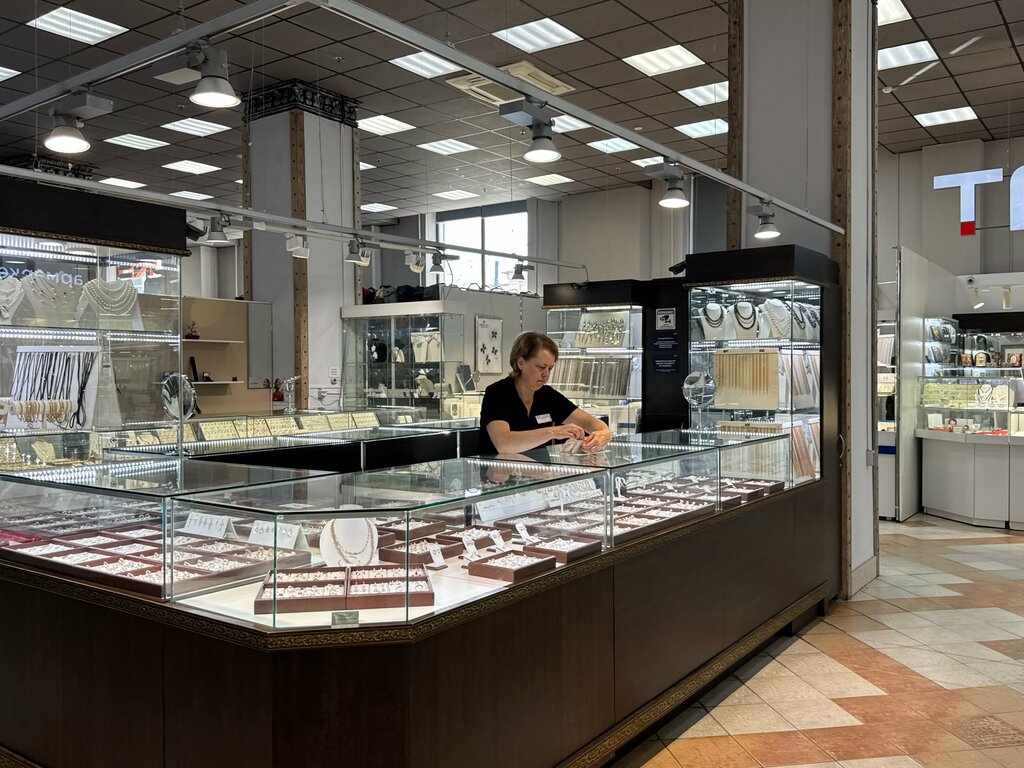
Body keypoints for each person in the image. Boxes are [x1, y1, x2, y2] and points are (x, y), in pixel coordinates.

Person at [477, 331, 612, 455]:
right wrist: (553, 432)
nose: (546, 374)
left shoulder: (547, 395)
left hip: (538, 470)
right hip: (497, 471)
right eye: (541, 367)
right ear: (520, 363)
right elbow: (504, 444)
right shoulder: (497, 393)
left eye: (550, 368)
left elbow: (588, 421)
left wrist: (604, 434)